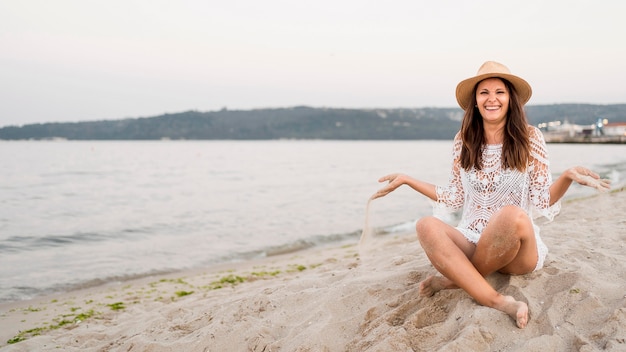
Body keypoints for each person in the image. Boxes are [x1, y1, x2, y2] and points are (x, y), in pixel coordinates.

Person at [372, 61, 611, 329]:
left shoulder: (530, 137)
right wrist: (407, 180)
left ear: (510, 99)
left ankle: (455, 279)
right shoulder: (463, 139)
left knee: (511, 214)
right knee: (425, 225)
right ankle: (499, 300)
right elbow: (454, 197)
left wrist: (567, 177)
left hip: (518, 250)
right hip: (474, 239)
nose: (492, 99)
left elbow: (542, 199)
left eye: (500, 92)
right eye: (484, 92)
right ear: (475, 101)